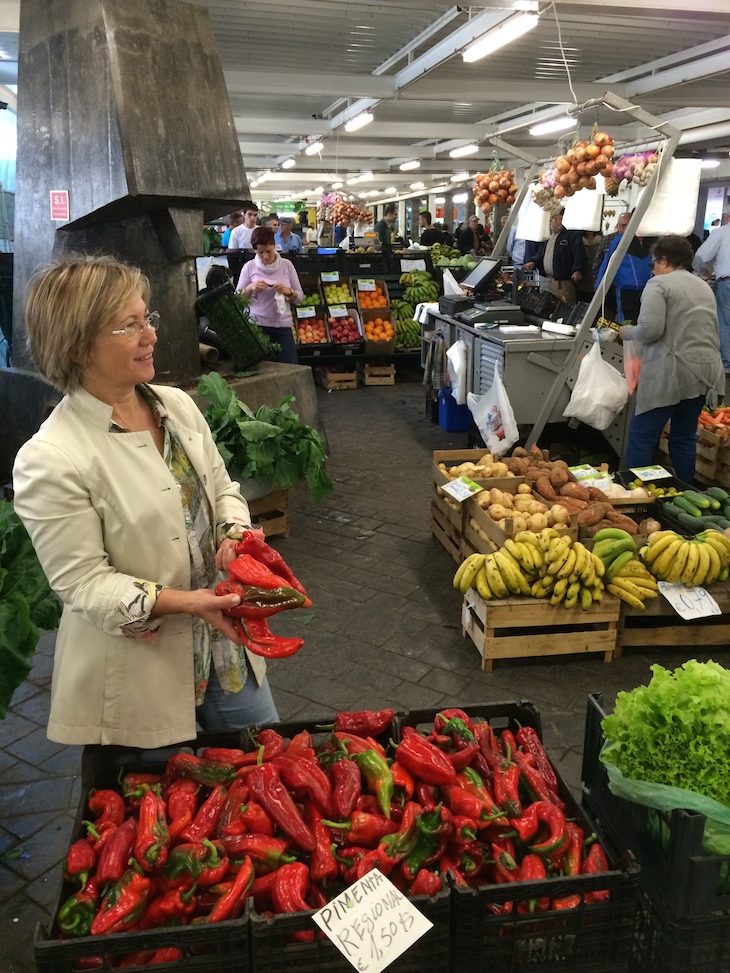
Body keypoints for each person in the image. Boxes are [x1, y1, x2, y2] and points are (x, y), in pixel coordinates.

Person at [11, 255, 281, 748]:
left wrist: (236, 533)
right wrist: (187, 603)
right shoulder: (50, 457)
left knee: (266, 771)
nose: (150, 334)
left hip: (226, 649)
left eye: (147, 318)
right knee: (167, 810)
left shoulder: (173, 404)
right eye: (129, 325)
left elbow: (223, 490)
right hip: (140, 668)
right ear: (78, 346)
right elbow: (82, 583)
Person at [619, 235, 724, 483]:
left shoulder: (659, 285)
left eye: (652, 264)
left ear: (663, 260)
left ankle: (638, 494)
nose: (652, 269)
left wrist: (626, 332)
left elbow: (650, 330)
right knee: (684, 436)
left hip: (672, 372)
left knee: (642, 434)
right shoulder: (703, 285)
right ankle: (684, 490)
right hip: (706, 373)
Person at [236, 226, 303, 364]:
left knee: (289, 368)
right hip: (257, 327)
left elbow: (300, 297)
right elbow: (237, 299)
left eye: (268, 251)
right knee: (259, 369)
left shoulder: (287, 266)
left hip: (283, 327)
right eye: (260, 253)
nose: (265, 256)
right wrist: (250, 288)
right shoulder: (249, 267)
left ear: (274, 246)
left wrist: (289, 292)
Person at [595, 214, 654, 324]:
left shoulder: (655, 239)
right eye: (623, 225)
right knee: (628, 325)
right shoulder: (619, 241)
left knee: (649, 323)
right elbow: (606, 265)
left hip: (651, 291)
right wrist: (599, 288)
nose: (626, 228)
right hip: (626, 292)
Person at [693, 215, 730, 376]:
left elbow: (701, 256)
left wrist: (703, 271)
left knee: (725, 322)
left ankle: (727, 365)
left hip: (727, 282)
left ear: (727, 217)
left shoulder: (722, 233)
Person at [523, 209, 585, 304]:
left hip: (564, 283)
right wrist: (533, 262)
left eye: (553, 218)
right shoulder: (550, 236)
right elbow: (541, 253)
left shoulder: (572, 234)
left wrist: (578, 270)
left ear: (561, 218)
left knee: (563, 310)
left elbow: (579, 254)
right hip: (548, 281)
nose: (550, 221)